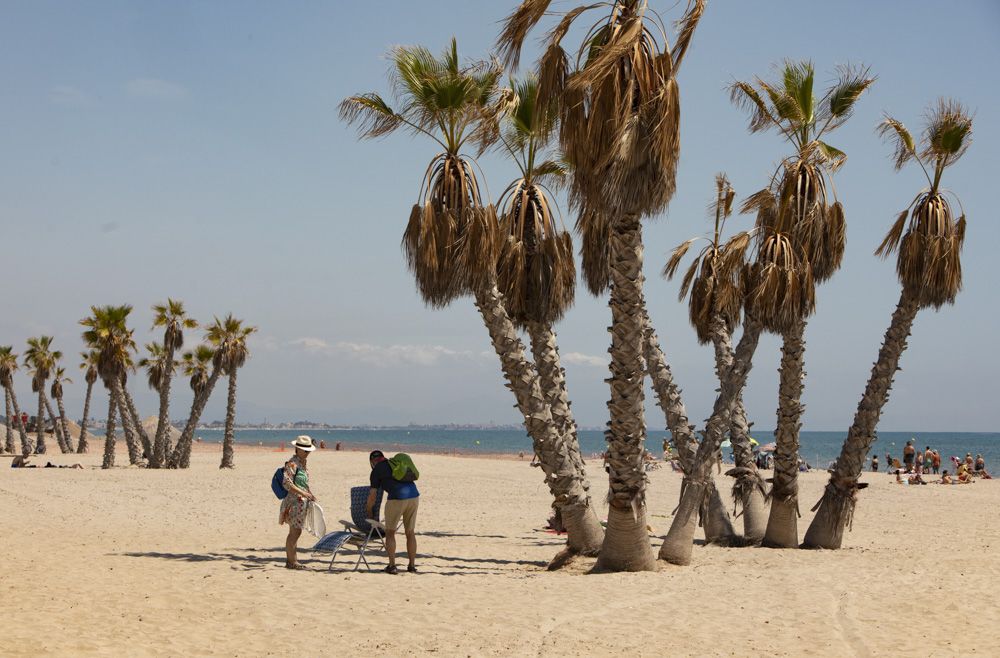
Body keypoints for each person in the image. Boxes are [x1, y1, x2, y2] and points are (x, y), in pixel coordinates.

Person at [367, 450, 419, 575]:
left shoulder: (376, 470)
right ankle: (412, 565)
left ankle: (392, 565)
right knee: (410, 532)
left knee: (390, 532)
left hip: (397, 498)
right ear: (383, 457)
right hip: (414, 496)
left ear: (372, 462)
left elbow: (372, 496)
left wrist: (368, 510)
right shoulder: (394, 463)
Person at [278, 435, 318, 570]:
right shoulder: (293, 463)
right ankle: (291, 561)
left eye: (308, 450)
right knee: (294, 532)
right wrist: (304, 493)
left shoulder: (302, 463)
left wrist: (309, 493)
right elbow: (287, 483)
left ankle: (292, 560)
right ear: (297, 449)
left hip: (301, 503)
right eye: (304, 450)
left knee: (296, 532)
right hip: (294, 503)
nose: (307, 453)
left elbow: (302, 483)